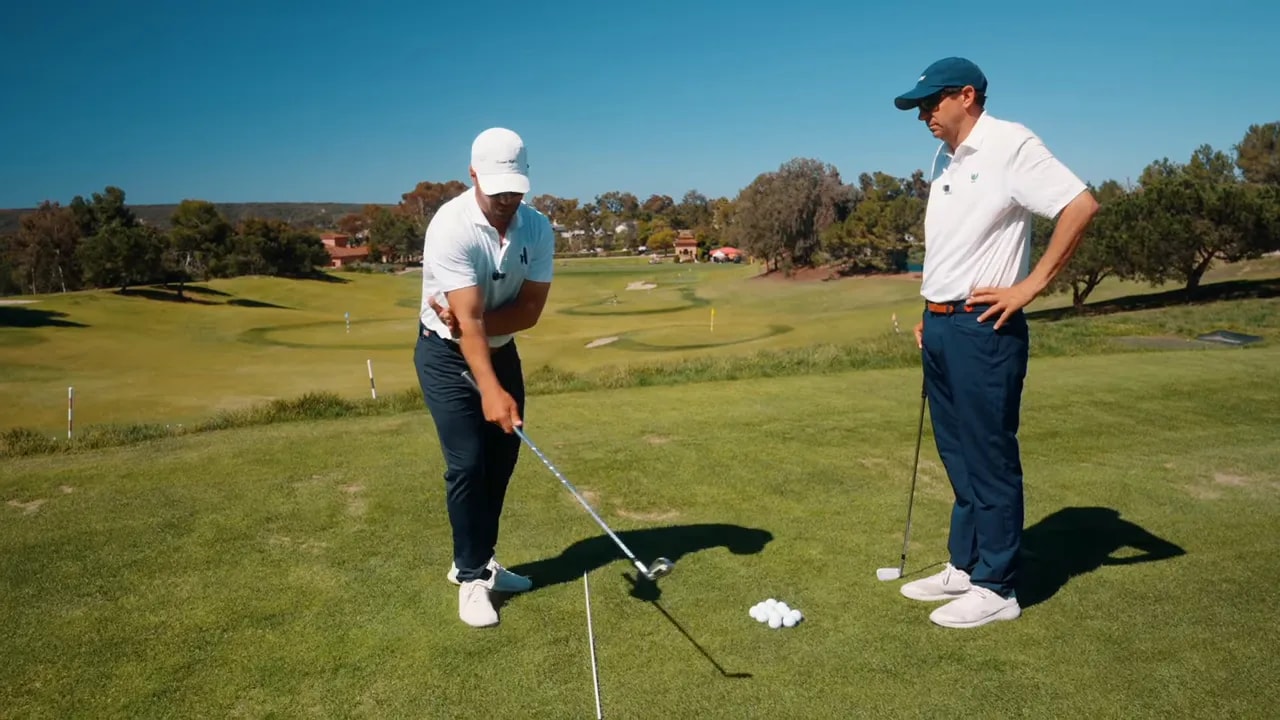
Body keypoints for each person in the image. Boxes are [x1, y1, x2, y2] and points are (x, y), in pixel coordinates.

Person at [891, 58, 1099, 628]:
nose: (924, 114)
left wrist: (1030, 287)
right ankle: (965, 563)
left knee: (989, 455)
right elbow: (955, 246)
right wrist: (932, 307)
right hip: (940, 324)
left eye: (932, 102)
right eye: (919, 106)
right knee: (957, 454)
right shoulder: (945, 159)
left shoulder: (1010, 144)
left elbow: (1080, 205)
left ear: (967, 95)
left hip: (984, 328)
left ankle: (998, 586)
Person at [413, 127, 556, 628]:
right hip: (444, 356)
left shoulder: (537, 229)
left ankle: (483, 561)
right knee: (468, 463)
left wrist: (477, 327)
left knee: (501, 460)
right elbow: (464, 328)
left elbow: (529, 311)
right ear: (473, 174)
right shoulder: (449, 226)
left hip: (499, 348)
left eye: (515, 188)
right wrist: (489, 387)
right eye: (497, 188)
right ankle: (470, 578)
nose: (507, 199)